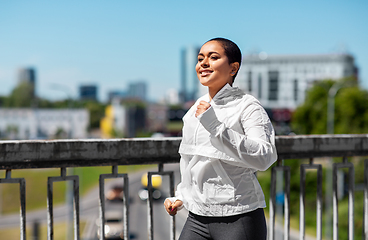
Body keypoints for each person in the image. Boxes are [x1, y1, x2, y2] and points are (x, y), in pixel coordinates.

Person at [164, 37, 277, 240]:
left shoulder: (248, 106)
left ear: (233, 68)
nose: (203, 63)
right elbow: (191, 161)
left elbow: (264, 157)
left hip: (239, 216)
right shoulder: (194, 109)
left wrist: (216, 126)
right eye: (200, 59)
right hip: (197, 218)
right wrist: (181, 196)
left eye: (213, 57)